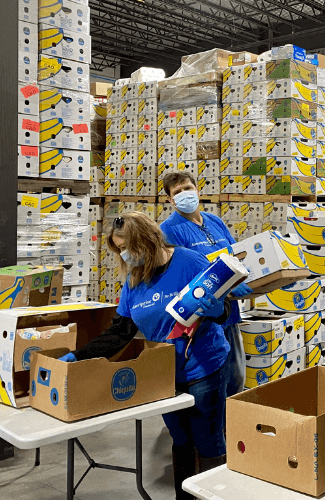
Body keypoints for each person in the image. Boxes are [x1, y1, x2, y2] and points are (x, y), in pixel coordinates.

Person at [58, 212, 240, 500]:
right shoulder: (133, 282)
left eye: (128, 247)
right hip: (164, 373)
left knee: (207, 439)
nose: (125, 255)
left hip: (204, 366)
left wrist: (218, 311)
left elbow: (224, 305)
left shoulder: (188, 261)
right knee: (180, 440)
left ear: (147, 240)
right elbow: (120, 332)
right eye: (119, 250)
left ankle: (214, 494)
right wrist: (78, 356)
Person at [159, 171, 251, 397]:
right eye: (177, 192)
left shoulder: (215, 221)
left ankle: (229, 428)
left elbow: (236, 257)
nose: (184, 195)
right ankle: (214, 430)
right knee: (213, 385)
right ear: (170, 200)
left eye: (187, 189)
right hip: (202, 319)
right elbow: (183, 276)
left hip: (228, 313)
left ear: (198, 190)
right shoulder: (169, 230)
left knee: (236, 378)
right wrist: (227, 287)